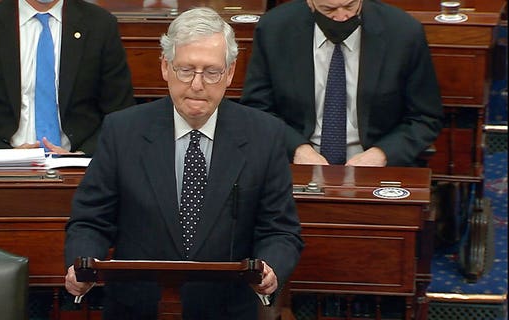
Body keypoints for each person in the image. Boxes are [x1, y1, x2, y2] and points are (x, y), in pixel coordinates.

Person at [64, 7, 303, 319]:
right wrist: (82, 264)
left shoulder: (264, 135)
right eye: (186, 70)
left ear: (230, 72)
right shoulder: (123, 131)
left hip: (226, 309)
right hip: (137, 309)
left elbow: (280, 230)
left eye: (212, 72)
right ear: (165, 67)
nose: (197, 85)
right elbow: (91, 220)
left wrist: (271, 269)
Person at [240, 0, 443, 167]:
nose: (341, 17)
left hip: (378, 164)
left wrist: (382, 154)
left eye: (350, 6)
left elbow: (424, 117)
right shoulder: (275, 30)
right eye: (328, 9)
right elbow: (257, 109)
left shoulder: (403, 33)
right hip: (294, 162)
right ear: (310, 3)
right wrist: (297, 149)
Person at [0, 0, 135, 154]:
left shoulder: (99, 25)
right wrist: (6, 155)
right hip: (2, 164)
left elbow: (120, 113)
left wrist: (83, 155)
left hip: (78, 163)